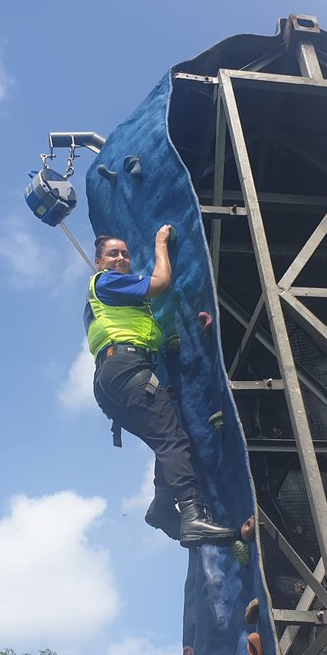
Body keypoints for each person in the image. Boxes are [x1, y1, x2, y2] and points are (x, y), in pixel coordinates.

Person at [84, 224, 239, 546]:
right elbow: (163, 283)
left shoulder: (115, 301)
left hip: (113, 379)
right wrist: (160, 243)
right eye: (113, 254)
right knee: (172, 441)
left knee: (167, 437)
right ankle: (193, 514)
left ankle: (162, 506)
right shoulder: (108, 282)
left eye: (125, 254)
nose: (121, 258)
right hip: (126, 368)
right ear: (98, 262)